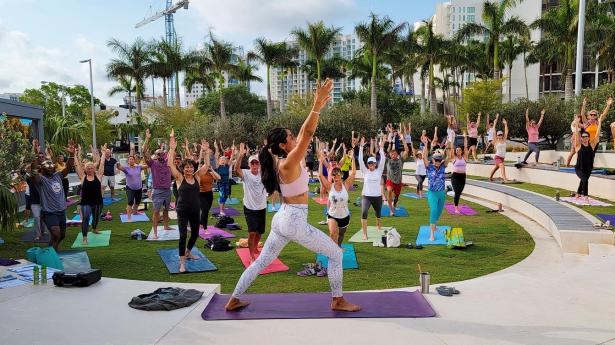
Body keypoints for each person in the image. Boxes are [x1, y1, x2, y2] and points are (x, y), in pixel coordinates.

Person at [225, 79, 360, 313]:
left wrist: (315, 107)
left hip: (282, 219)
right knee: (336, 254)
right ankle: (337, 300)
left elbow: (301, 133)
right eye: (290, 136)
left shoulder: (280, 161)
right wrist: (316, 105)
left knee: (261, 262)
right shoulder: (288, 162)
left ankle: (234, 299)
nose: (294, 137)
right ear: (284, 144)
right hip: (294, 221)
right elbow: (307, 132)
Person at [167, 129, 205, 273]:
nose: (189, 169)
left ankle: (188, 252)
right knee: (183, 235)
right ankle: (182, 262)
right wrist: (172, 149)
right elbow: (170, 164)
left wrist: (206, 152)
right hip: (182, 210)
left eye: (191, 167)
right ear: (183, 169)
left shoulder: (197, 177)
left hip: (195, 209)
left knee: (195, 234)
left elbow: (206, 166)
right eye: (187, 167)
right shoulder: (179, 178)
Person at [32, 141, 75, 250]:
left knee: (61, 236)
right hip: (49, 213)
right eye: (48, 167)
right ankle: (52, 253)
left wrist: (72, 155)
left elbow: (68, 168)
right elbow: (34, 172)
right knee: (56, 233)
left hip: (61, 211)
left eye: (52, 167)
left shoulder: (58, 176)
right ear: (43, 169)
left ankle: (51, 251)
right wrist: (35, 154)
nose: (50, 168)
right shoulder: (41, 180)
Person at [574, 97, 612, 203]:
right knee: (583, 163)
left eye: (595, 115)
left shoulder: (597, 122)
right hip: (584, 144)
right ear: (588, 116)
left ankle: (578, 192)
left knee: (588, 166)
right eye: (591, 115)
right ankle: (583, 194)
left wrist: (608, 105)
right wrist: (584, 103)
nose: (593, 116)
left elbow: (603, 115)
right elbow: (582, 114)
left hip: (593, 143)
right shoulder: (587, 123)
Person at [235, 143, 268, 262]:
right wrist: (240, 155)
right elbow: (236, 169)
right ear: (249, 164)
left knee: (260, 232)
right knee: (252, 232)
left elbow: (272, 167)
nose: (254, 165)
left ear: (259, 164)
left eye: (256, 163)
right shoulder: (246, 173)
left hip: (262, 207)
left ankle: (254, 248)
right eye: (252, 163)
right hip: (249, 208)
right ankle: (251, 254)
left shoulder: (263, 173)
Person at [319, 153, 356, 247]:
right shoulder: (329, 186)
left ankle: (337, 247)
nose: (335, 177)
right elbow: (320, 175)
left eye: (337, 175)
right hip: (332, 215)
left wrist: (353, 159)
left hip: (344, 215)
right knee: (333, 233)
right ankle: (333, 251)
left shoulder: (346, 185)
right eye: (333, 175)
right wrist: (320, 162)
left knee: (341, 235)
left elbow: (354, 173)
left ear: (341, 175)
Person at [143, 129, 173, 239]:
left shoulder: (168, 163)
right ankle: (155, 233)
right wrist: (147, 139)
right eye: (158, 154)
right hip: (158, 191)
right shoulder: (152, 164)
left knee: (166, 210)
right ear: (155, 155)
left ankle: (165, 226)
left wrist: (171, 137)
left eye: (162, 153)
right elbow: (144, 152)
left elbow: (172, 150)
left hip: (167, 190)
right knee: (156, 212)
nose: (160, 155)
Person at [420, 135, 449, 241]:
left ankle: (435, 226)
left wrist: (449, 146)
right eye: (436, 160)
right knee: (433, 210)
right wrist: (426, 145)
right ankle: (432, 233)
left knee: (439, 211)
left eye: (439, 160)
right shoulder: (429, 167)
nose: (437, 161)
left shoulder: (443, 167)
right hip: (432, 193)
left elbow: (448, 157)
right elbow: (424, 157)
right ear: (433, 160)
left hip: (441, 193)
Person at [73, 145, 104, 245]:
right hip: (86, 202)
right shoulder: (82, 177)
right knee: (85, 219)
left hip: (98, 201)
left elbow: (102, 164)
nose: (90, 169)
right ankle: (85, 238)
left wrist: (103, 153)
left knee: (96, 217)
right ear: (85, 169)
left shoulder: (98, 176)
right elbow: (77, 165)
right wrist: (74, 154)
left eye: (92, 168)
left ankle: (94, 229)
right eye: (88, 168)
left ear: (94, 169)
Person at [358, 136, 385, 240]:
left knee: (378, 213)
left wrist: (381, 148)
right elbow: (360, 160)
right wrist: (361, 147)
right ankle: (365, 233)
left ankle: (378, 222)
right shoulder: (365, 171)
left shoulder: (379, 171)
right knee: (364, 213)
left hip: (377, 197)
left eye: (372, 163)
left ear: (375, 164)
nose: (371, 165)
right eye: (369, 163)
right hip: (366, 197)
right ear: (368, 164)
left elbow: (383, 160)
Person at [196, 140, 220, 229]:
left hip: (209, 194)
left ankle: (200, 222)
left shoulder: (210, 172)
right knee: (205, 210)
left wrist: (212, 170)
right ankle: (205, 227)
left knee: (206, 210)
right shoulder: (199, 173)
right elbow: (200, 161)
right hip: (200, 194)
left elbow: (218, 178)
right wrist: (203, 151)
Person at [116, 153, 148, 222]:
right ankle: (129, 217)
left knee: (138, 201)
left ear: (134, 160)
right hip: (130, 188)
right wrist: (118, 163)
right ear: (128, 161)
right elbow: (119, 167)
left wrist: (150, 161)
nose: (131, 160)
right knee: (130, 201)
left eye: (132, 159)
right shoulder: (126, 168)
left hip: (139, 188)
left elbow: (147, 166)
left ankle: (135, 212)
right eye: (130, 159)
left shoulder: (138, 167)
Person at [385, 135, 409, 216]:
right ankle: (391, 210)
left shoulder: (401, 160)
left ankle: (394, 203)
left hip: (398, 182)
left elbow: (407, 150)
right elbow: (382, 151)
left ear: (397, 154)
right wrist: (386, 142)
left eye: (395, 154)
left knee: (396, 197)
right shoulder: (388, 161)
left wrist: (403, 140)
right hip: (390, 180)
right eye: (392, 154)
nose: (393, 155)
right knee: (389, 191)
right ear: (390, 155)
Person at [451, 132, 469, 214]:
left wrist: (465, 137)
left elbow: (466, 147)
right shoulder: (454, 158)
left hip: (463, 176)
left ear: (461, 151)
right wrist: (452, 138)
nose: (458, 151)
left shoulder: (465, 157)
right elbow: (451, 147)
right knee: (457, 192)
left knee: (459, 192)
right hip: (455, 177)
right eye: (456, 150)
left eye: (459, 150)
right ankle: (456, 208)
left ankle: (456, 203)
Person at [488, 116, 509, 182]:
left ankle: (490, 177)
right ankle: (505, 179)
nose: (500, 136)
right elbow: (494, 131)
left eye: (501, 135)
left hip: (502, 157)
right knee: (502, 166)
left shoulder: (504, 140)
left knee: (496, 168)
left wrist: (505, 124)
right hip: (497, 157)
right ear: (497, 135)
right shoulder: (495, 141)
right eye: (499, 135)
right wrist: (494, 123)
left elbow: (506, 132)